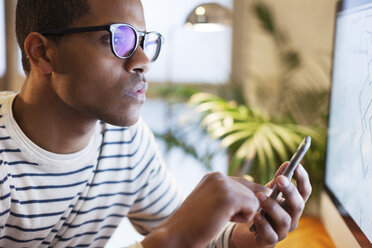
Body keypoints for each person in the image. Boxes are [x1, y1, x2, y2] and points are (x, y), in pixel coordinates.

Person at [0, 0, 312, 247]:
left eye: (143, 41)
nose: (143, 61)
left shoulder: (126, 142)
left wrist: (241, 237)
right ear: (42, 53)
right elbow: (174, 239)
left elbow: (189, 238)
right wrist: (170, 240)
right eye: (118, 38)